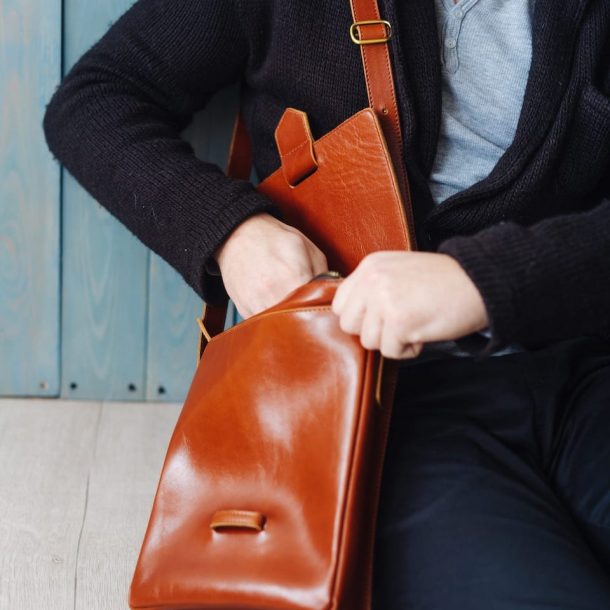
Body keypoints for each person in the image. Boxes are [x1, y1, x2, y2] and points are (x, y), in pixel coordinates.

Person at [43, 0, 610, 607]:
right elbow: (93, 102)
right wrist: (231, 232)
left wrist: (485, 280)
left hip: (588, 367)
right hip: (368, 400)